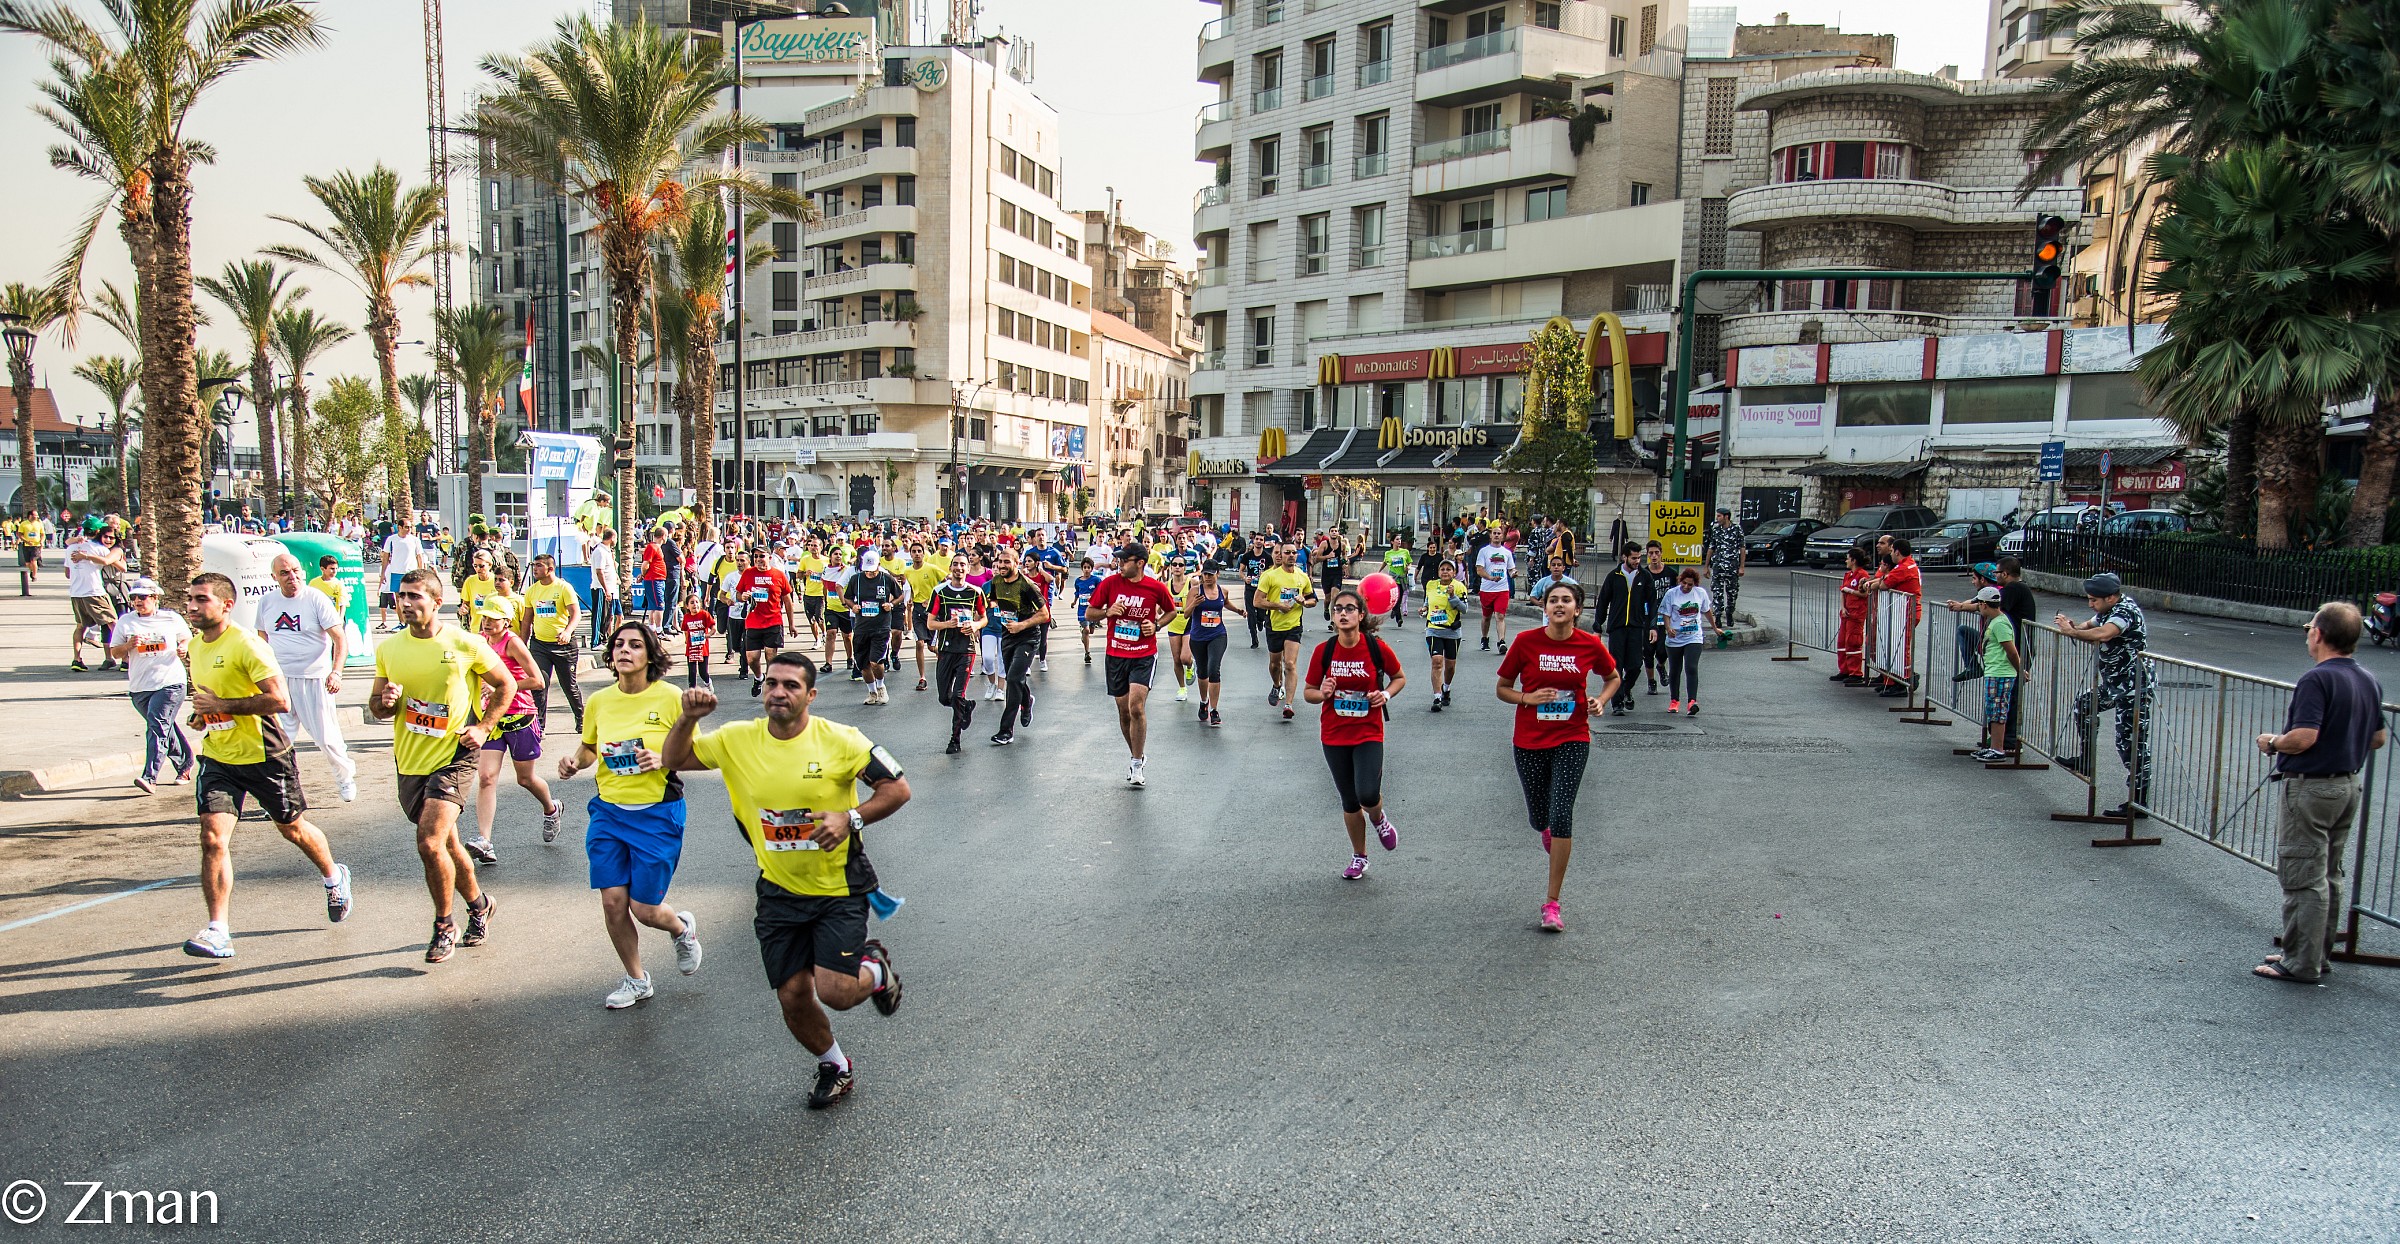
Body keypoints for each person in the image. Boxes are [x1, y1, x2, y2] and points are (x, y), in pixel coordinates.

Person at [664, 654, 910, 1110]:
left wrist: (851, 818)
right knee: (793, 996)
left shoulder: (842, 740)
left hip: (838, 886)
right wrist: (688, 718)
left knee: (835, 993)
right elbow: (674, 759)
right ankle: (835, 1066)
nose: (779, 691)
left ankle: (873, 969)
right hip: (778, 889)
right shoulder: (737, 739)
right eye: (771, 683)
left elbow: (897, 788)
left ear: (810, 695)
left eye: (791, 685)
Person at [177, 573, 353, 958]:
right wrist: (202, 717)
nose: (192, 606)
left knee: (293, 830)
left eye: (201, 599)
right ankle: (218, 930)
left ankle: (333, 875)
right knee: (212, 839)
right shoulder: (195, 646)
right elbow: (211, 701)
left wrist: (221, 707)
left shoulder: (246, 645)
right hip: (219, 756)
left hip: (265, 754)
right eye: (190, 599)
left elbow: (280, 700)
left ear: (226, 604)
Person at [555, 619, 703, 1008]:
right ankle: (637, 980)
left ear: (650, 655)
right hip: (608, 812)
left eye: (635, 645)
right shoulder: (601, 700)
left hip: (657, 812)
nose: (624, 651)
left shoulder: (671, 698)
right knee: (613, 902)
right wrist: (575, 762)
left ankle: (681, 927)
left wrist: (663, 758)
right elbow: (589, 747)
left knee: (646, 909)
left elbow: (701, 753)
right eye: (619, 644)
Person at [369, 569, 513, 964]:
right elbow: (376, 708)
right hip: (411, 759)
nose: (405, 602)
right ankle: (480, 904)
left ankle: (443, 926)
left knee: (429, 842)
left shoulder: (465, 643)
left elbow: (507, 685)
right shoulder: (389, 649)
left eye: (415, 596)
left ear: (435, 601)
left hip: (454, 756)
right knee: (446, 844)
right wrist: (387, 699)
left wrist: (484, 728)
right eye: (401, 596)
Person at [2253, 602, 2387, 984]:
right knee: (2328, 873)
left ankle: (2301, 962)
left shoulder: (2317, 679)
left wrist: (2273, 741)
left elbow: (2305, 736)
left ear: (2319, 634)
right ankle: (2313, 953)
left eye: (2310, 629)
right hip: (2346, 784)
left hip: (2312, 788)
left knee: (2302, 875)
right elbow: (2377, 737)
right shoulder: (2367, 678)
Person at [1495, 581, 1619, 933]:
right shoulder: (1526, 643)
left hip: (1573, 737)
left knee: (1562, 814)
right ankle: (1547, 829)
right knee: (1540, 818)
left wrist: (1601, 700)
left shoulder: (1589, 644)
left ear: (1577, 609)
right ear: (1545, 608)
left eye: (1567, 600)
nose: (1560, 605)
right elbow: (1502, 687)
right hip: (1530, 741)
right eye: (1554, 600)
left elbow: (1612, 677)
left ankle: (1552, 902)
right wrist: (1527, 699)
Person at [1305, 588, 1405, 881]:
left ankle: (1379, 818)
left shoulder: (1376, 647)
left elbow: (1399, 678)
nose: (1344, 613)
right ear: (1333, 616)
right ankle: (1360, 857)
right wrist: (1322, 693)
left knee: (1367, 792)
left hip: (1368, 732)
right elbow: (1309, 692)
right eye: (1338, 609)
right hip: (1334, 734)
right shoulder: (1324, 651)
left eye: (1350, 608)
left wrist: (1385, 694)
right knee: (1349, 800)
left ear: (1361, 615)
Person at [465, 600, 563, 862]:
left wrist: (503, 688)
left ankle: (551, 808)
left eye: (494, 618)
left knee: (525, 779)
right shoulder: (480, 642)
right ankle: (485, 841)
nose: (488, 622)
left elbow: (538, 681)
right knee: (486, 777)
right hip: (493, 718)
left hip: (521, 716)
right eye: (485, 617)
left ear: (506, 621)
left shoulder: (513, 643)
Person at [2053, 572, 2154, 820]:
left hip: (2133, 686)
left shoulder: (2124, 612)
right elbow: (2091, 625)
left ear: (2111, 597)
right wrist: (2073, 625)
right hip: (2114, 683)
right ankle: (2086, 759)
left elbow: (2104, 634)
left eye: (2094, 600)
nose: (2090, 603)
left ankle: (2138, 802)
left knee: (2129, 742)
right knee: (2085, 704)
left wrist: (2073, 633)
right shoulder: (2107, 609)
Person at [259, 553, 358, 802]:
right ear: (274, 577)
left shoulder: (315, 599)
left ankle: (345, 777)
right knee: (279, 742)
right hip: (280, 681)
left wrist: (336, 672)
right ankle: (280, 794)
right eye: (284, 573)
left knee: (327, 738)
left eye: (295, 570)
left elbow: (339, 638)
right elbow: (262, 640)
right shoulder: (267, 602)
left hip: (315, 679)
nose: (292, 577)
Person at [1089, 544, 1181, 786]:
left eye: (1124, 560)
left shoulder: (1155, 587)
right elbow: (1090, 612)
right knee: (1124, 711)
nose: (1119, 564)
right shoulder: (1109, 584)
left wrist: (1157, 625)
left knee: (1136, 706)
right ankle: (1136, 754)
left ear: (1140, 563)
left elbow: (1171, 612)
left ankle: (1137, 763)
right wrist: (1108, 612)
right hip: (1116, 654)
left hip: (1143, 653)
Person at [106, 578, 194, 794]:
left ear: (155, 599)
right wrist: (128, 646)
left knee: (157, 725)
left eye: (143, 597)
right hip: (140, 686)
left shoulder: (170, 618)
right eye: (134, 597)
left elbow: (187, 638)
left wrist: (183, 647)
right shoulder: (125, 622)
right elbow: (115, 652)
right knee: (163, 727)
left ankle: (150, 776)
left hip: (170, 682)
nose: (137, 601)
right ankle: (185, 763)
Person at [983, 546, 1049, 746]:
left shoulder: (1027, 585)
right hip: (1007, 635)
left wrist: (1022, 624)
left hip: (1027, 637)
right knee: (1016, 679)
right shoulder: (996, 582)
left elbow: (1045, 614)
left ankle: (1006, 731)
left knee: (1012, 679)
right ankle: (1027, 701)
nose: (1002, 566)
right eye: (1000, 562)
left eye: (1006, 562)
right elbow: (993, 601)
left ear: (1016, 563)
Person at [519, 553, 584, 733]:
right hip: (540, 645)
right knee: (539, 684)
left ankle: (581, 718)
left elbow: (576, 614)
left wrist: (567, 632)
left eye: (539, 566)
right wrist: (522, 646)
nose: (535, 569)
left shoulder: (564, 588)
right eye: (534, 566)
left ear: (550, 568)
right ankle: (539, 725)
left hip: (563, 646)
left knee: (569, 686)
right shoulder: (532, 590)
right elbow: (527, 620)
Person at [928, 557, 986, 754]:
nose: (959, 568)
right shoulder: (940, 592)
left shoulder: (975, 592)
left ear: (968, 568)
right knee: (945, 698)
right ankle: (967, 707)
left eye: (963, 565)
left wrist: (975, 625)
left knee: (958, 694)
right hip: (945, 649)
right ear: (950, 568)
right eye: (956, 564)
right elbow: (930, 623)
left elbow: (983, 617)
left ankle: (955, 740)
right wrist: (947, 624)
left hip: (966, 650)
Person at [1593, 543, 1659, 716]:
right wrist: (1598, 626)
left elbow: (1652, 602)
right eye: (1634, 558)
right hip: (1617, 628)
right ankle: (1617, 703)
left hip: (1637, 627)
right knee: (1616, 666)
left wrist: (1653, 626)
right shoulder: (1614, 576)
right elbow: (1603, 601)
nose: (1637, 561)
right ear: (1624, 557)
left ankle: (1626, 688)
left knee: (1636, 665)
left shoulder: (1645, 577)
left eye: (1639, 558)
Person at [1258, 543, 1317, 720]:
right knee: (1275, 664)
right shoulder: (1270, 576)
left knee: (1290, 663)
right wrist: (1278, 606)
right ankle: (1277, 685)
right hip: (1275, 626)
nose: (1291, 555)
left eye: (1293, 553)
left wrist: (1304, 603)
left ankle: (1289, 704)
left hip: (1294, 626)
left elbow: (1312, 599)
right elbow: (1257, 601)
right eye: (1287, 553)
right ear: (1280, 555)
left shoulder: (1302, 576)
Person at [1966, 586, 2024, 763]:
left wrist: (2020, 670)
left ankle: (1998, 749)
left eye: (1979, 605)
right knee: (1992, 710)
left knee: (1998, 711)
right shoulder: (1995, 621)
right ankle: (1994, 747)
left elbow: (2011, 652)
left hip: (2001, 672)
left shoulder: (2000, 623)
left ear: (1984, 605)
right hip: (1994, 671)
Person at [1185, 562, 1242, 727]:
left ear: (1217, 574)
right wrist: (1194, 604)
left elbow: (1225, 603)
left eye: (1211, 574)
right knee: (1202, 672)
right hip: (1198, 637)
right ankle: (1204, 701)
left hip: (1218, 635)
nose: (1208, 578)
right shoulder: (1195, 591)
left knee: (1213, 669)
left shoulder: (1223, 591)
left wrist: (1238, 611)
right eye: (1205, 574)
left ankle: (1214, 710)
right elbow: (1186, 614)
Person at [844, 549, 902, 705]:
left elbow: (900, 595)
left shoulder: (886, 579)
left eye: (872, 570)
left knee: (875, 661)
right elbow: (847, 597)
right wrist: (852, 606)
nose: (869, 573)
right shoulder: (856, 579)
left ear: (879, 566)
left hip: (881, 627)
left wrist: (891, 604)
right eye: (867, 571)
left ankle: (881, 686)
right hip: (862, 626)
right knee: (863, 664)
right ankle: (872, 692)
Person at [734, 545, 794, 695]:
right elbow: (738, 593)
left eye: (762, 556)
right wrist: (743, 597)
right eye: (756, 557)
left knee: (770, 654)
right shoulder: (748, 573)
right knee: (752, 658)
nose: (758, 559)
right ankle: (759, 677)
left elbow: (787, 601)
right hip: (753, 621)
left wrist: (791, 624)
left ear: (769, 558)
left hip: (773, 621)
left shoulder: (778, 575)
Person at [1868, 536, 1923, 698]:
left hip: (1906, 611)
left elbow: (1885, 585)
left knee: (1900, 649)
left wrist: (1877, 582)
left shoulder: (1903, 567)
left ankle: (1903, 682)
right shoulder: (1904, 565)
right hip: (1901, 611)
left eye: (1891, 551)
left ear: (1897, 552)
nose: (1890, 554)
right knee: (1893, 646)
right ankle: (1893, 680)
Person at [66, 522, 123, 671]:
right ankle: (126, 659)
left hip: (76, 592)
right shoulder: (99, 549)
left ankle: (77, 659)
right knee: (114, 623)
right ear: (98, 531)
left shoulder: (71, 548)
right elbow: (117, 565)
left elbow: (67, 573)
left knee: (80, 626)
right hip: (94, 591)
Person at [1657, 566, 1714, 714]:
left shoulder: (1700, 593)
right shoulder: (1672, 594)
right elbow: (1666, 613)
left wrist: (1715, 628)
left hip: (1693, 637)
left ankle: (1692, 702)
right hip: (1675, 638)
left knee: (1691, 667)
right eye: (1684, 583)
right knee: (1675, 670)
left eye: (1690, 584)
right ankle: (1674, 700)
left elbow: (1707, 611)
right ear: (1680, 581)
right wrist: (1668, 629)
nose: (1687, 587)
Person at [1421, 559, 1470, 710]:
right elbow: (1428, 602)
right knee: (1436, 661)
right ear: (1438, 572)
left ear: (1454, 573)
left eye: (1449, 569)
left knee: (1450, 667)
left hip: (1452, 631)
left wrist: (1452, 596)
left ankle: (1446, 689)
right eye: (1443, 569)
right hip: (1433, 629)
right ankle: (1437, 698)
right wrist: (1423, 609)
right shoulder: (1431, 585)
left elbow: (1464, 609)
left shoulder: (1459, 587)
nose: (1445, 571)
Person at [1703, 506, 1746, 632]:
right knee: (1717, 592)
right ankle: (1717, 616)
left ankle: (1729, 612)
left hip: (1732, 567)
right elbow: (1711, 548)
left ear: (1726, 516)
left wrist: (1742, 566)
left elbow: (1742, 548)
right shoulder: (1716, 530)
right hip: (1718, 566)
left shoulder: (1737, 529)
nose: (1717, 518)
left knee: (1732, 593)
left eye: (1719, 516)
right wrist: (1706, 566)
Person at [1836, 546, 1873, 686]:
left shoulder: (1862, 575)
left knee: (1853, 642)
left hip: (1857, 613)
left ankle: (1856, 673)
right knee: (1842, 643)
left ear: (1853, 560)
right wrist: (1843, 607)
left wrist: (1850, 591)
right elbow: (1842, 591)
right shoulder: (1848, 575)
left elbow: (1864, 594)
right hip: (1846, 613)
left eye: (1848, 558)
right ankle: (1844, 669)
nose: (1846, 560)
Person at [1474, 534, 1516, 652]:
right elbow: (1479, 570)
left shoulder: (1507, 552)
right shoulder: (1484, 551)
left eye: (1499, 533)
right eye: (1495, 533)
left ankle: (1501, 641)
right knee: (1486, 617)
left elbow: (1511, 569)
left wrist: (1513, 573)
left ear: (1502, 537)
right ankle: (1484, 638)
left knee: (1500, 616)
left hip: (1502, 589)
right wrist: (1490, 578)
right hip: (1487, 589)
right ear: (1491, 536)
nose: (1497, 535)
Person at [1161, 562, 1194, 703]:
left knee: (1185, 658)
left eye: (1180, 564)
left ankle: (1191, 665)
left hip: (1188, 621)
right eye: (1174, 564)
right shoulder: (1166, 585)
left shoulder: (1192, 583)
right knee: (1176, 659)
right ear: (1171, 567)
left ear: (1184, 568)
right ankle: (1182, 688)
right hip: (1173, 622)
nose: (1177, 567)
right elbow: (1159, 605)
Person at [679, 589, 714, 688]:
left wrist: (708, 634)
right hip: (691, 648)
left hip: (703, 648)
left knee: (703, 672)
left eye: (697, 602)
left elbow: (713, 627)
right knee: (692, 671)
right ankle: (692, 690)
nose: (695, 605)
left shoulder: (704, 615)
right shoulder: (686, 617)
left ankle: (708, 682)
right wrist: (687, 640)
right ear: (687, 606)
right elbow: (685, 630)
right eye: (692, 603)